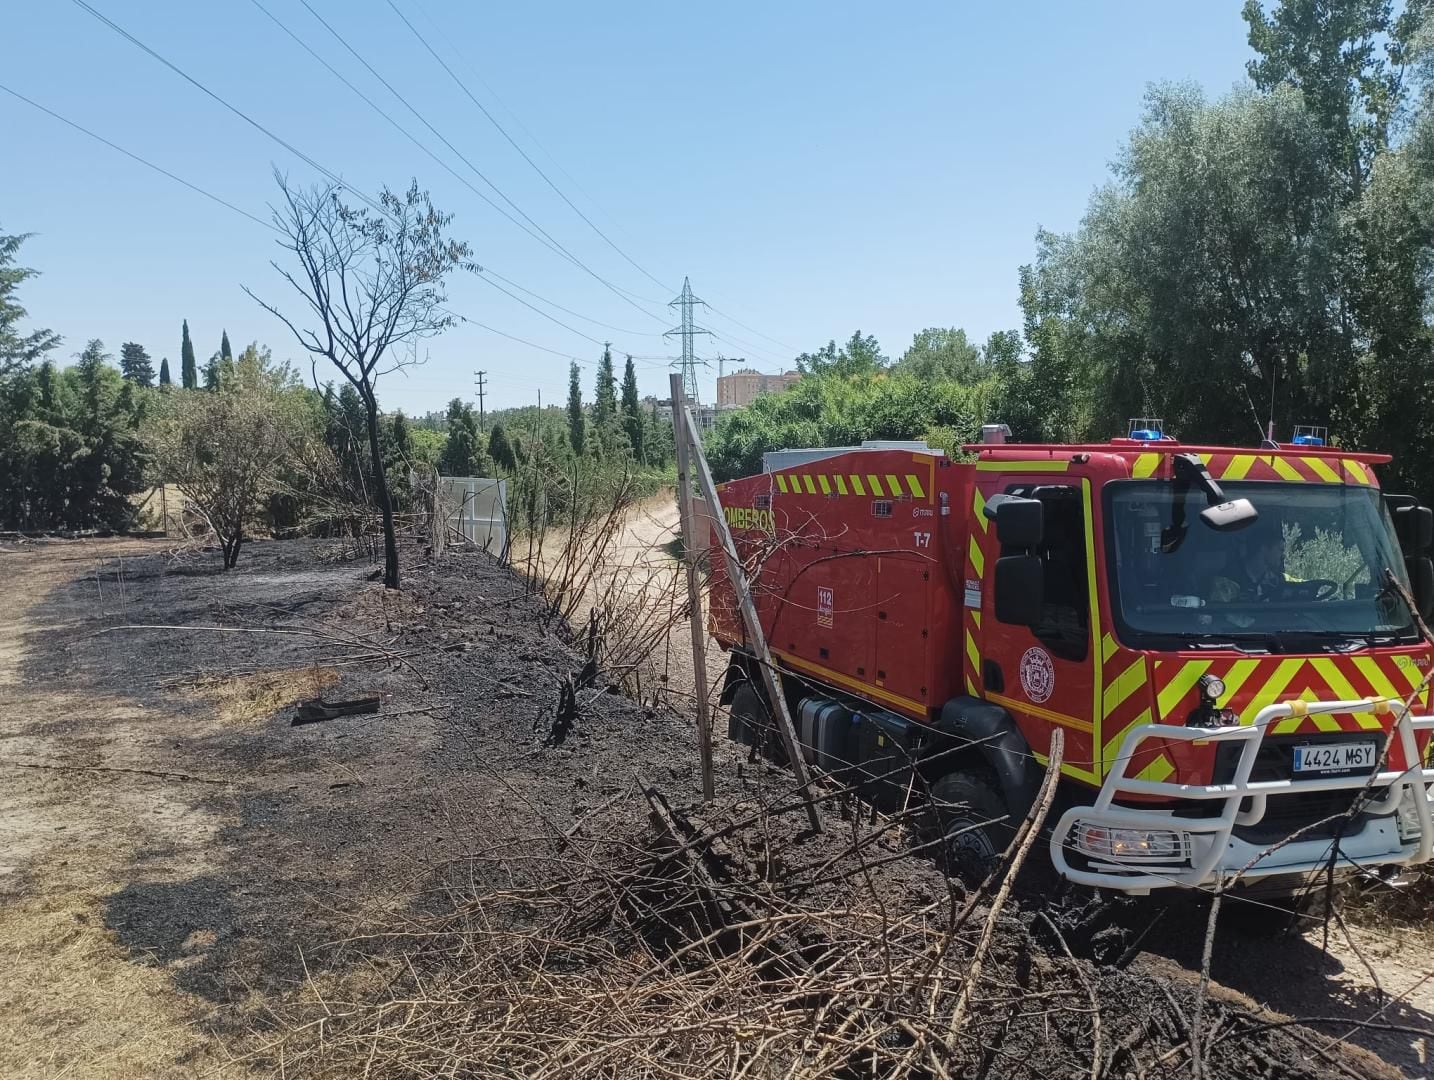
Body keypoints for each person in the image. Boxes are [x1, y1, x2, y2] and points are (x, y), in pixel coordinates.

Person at [1208, 528, 1286, 603]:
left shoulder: (1275, 582)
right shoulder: (1228, 579)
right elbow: (1219, 614)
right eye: (1280, 550)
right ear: (1264, 548)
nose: (1283, 556)